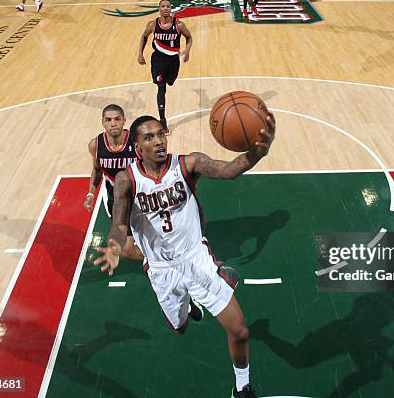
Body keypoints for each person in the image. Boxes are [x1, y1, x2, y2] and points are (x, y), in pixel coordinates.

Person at [93, 112, 276, 398]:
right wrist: (115, 246)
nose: (158, 141)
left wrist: (258, 153)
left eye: (160, 134)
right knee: (180, 328)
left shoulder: (188, 164)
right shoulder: (126, 181)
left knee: (239, 331)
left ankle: (242, 387)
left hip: (196, 260)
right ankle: (187, 305)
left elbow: (228, 170)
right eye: (149, 137)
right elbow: (118, 224)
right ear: (138, 148)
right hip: (162, 270)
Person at [84, 104, 144, 261]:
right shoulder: (95, 145)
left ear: (124, 121)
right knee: (126, 249)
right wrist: (91, 193)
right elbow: (97, 170)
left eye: (117, 119)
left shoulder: (136, 142)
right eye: (108, 120)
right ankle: (153, 261)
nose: (113, 123)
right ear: (103, 123)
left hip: (140, 191)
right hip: (115, 196)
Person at [137, 0, 193, 136]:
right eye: (163, 6)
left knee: (170, 82)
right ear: (159, 9)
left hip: (173, 60)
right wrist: (140, 53)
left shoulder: (179, 25)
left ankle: (169, 80)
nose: (165, 8)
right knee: (161, 87)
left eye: (168, 6)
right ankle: (163, 121)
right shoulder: (152, 25)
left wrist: (187, 51)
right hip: (158, 60)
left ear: (171, 8)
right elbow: (144, 37)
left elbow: (189, 37)